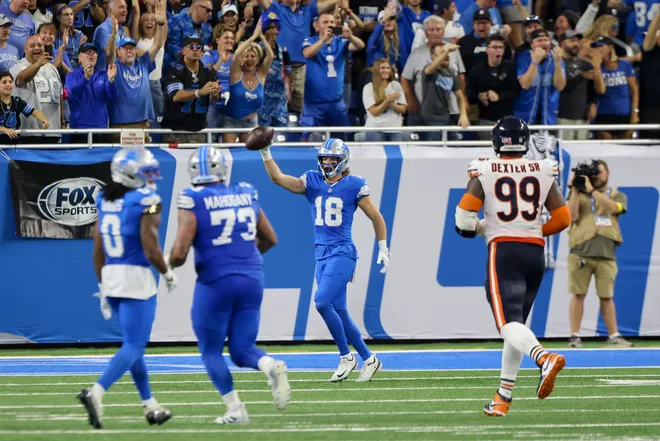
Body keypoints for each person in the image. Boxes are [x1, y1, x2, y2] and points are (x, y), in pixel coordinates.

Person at [454, 116, 571, 416]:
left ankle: (543, 358)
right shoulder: (543, 169)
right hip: (534, 253)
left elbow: (464, 220)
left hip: (504, 251)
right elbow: (562, 219)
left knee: (508, 325)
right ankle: (503, 396)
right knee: (516, 325)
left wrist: (482, 227)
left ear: (497, 141)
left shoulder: (483, 168)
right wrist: (529, 230)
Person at [167, 146, 291, 424]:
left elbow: (179, 253)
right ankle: (269, 365)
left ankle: (236, 409)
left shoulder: (192, 198)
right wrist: (242, 259)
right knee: (241, 349)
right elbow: (270, 239)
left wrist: (166, 266)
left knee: (211, 350)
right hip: (252, 277)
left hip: (216, 280)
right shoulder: (245, 193)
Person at [258, 138, 389, 383]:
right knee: (339, 309)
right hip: (321, 253)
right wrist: (265, 152)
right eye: (324, 159)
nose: (327, 163)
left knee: (321, 302)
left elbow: (376, 216)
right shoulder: (312, 180)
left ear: (343, 160)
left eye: (332, 159)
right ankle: (370, 360)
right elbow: (278, 178)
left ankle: (345, 356)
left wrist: (383, 247)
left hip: (342, 252)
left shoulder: (354, 184)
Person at [77, 147, 178, 429]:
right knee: (135, 345)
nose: (151, 176)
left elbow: (98, 250)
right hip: (136, 277)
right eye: (144, 172)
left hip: (111, 275)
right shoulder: (149, 200)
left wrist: (102, 286)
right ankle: (96, 392)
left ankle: (150, 405)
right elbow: (150, 246)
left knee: (132, 345)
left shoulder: (103, 198)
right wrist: (167, 272)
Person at [566, 160, 632, 348]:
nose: (595, 176)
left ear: (608, 173)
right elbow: (571, 217)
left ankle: (613, 335)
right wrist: (574, 189)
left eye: (598, 172)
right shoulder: (578, 195)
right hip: (580, 254)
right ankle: (574, 335)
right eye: (592, 173)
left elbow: (613, 209)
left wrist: (592, 191)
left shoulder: (617, 196)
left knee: (606, 296)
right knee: (578, 294)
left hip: (606, 255)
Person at [162, 35, 220, 144]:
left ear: (202, 53)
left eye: (198, 47)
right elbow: (176, 96)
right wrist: (199, 92)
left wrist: (214, 94)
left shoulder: (208, 72)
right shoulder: (175, 71)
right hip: (176, 130)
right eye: (191, 47)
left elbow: (215, 98)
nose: (195, 49)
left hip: (198, 129)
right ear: (183, 51)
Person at [223, 21, 273, 143]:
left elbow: (270, 56)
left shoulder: (260, 75)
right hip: (231, 120)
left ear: (257, 59)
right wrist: (253, 37)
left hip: (251, 122)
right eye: (247, 56)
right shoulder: (236, 74)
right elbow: (235, 55)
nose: (250, 59)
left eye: (253, 56)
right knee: (228, 153)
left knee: (249, 156)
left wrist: (261, 37)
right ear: (242, 59)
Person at [0, 70, 49, 143]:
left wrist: (44, 120)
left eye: (10, 82)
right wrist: (5, 130)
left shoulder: (17, 101)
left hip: (14, 142)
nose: (8, 84)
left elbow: (34, 112)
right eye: (4, 82)